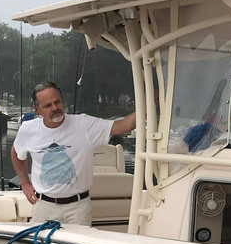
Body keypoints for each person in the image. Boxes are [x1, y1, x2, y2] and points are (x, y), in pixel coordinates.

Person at [10, 81, 137, 226]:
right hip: (44, 206)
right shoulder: (28, 129)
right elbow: (16, 153)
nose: (55, 108)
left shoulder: (84, 125)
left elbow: (124, 125)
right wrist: (25, 182)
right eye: (48, 105)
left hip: (78, 208)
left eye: (57, 102)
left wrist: (148, 105)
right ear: (37, 110)